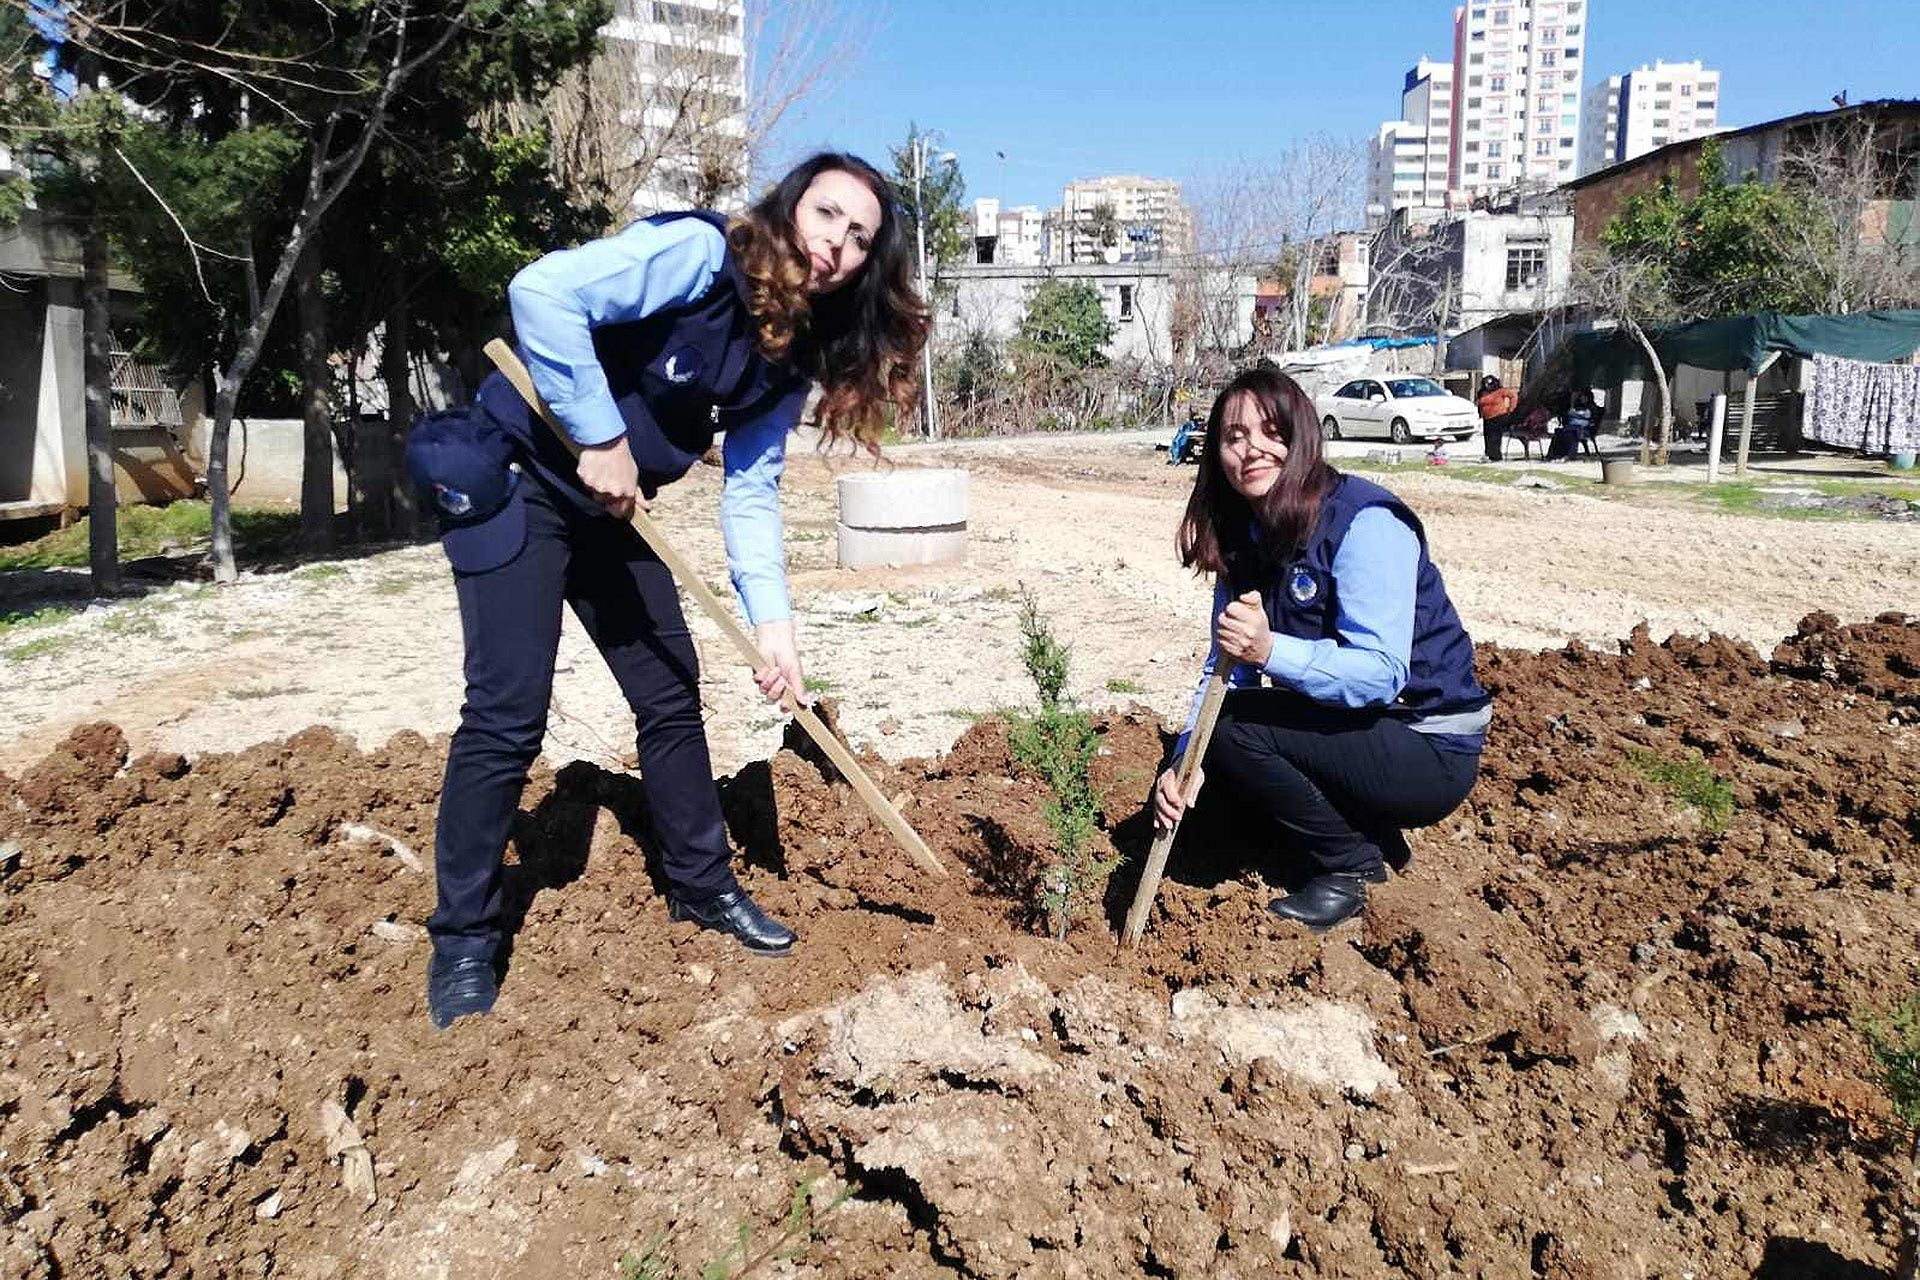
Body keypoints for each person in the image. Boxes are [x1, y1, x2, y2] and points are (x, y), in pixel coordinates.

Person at [405, 153, 929, 1029]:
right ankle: (462, 935)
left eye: (859, 235)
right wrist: (600, 432)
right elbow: (541, 293)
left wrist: (775, 628)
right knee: (509, 706)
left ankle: (700, 887)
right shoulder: (700, 253)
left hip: (617, 510)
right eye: (828, 213)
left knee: (670, 689)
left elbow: (752, 491)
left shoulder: (788, 358)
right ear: (793, 206)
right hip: (522, 474)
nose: (836, 240)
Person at [1151, 367, 1491, 932]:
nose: (1251, 450)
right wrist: (1184, 762)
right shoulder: (1245, 536)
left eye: (1270, 432)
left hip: (1427, 742)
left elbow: (1381, 674)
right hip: (1355, 729)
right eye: (1234, 438)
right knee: (1206, 779)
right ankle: (1365, 831)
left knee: (1237, 731)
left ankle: (1351, 868)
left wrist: (1270, 651)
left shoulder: (1364, 521)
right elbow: (1224, 668)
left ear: (1302, 435)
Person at [1476, 375, 1519, 462]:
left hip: (1498, 417)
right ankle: (1488, 454)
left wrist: (1511, 409)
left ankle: (1496, 456)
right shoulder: (1482, 393)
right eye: (1486, 384)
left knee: (1495, 437)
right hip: (1487, 418)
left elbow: (1513, 395)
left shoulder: (1500, 391)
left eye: (1490, 384)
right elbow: (1480, 404)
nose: (1487, 386)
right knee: (1487, 437)